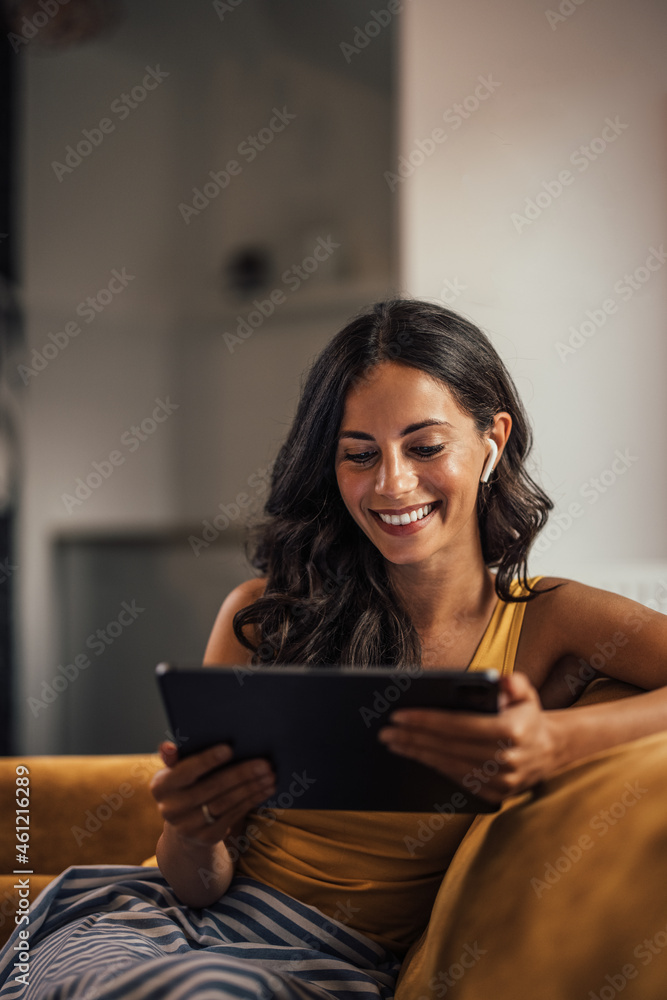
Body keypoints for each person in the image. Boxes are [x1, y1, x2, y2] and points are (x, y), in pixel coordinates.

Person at [2, 298, 667, 999]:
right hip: (163, 927)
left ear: (492, 442)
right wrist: (193, 834)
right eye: (358, 455)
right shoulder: (263, 616)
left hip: (323, 968)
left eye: (425, 446)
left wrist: (554, 742)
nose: (391, 484)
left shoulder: (550, 619)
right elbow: (196, 884)